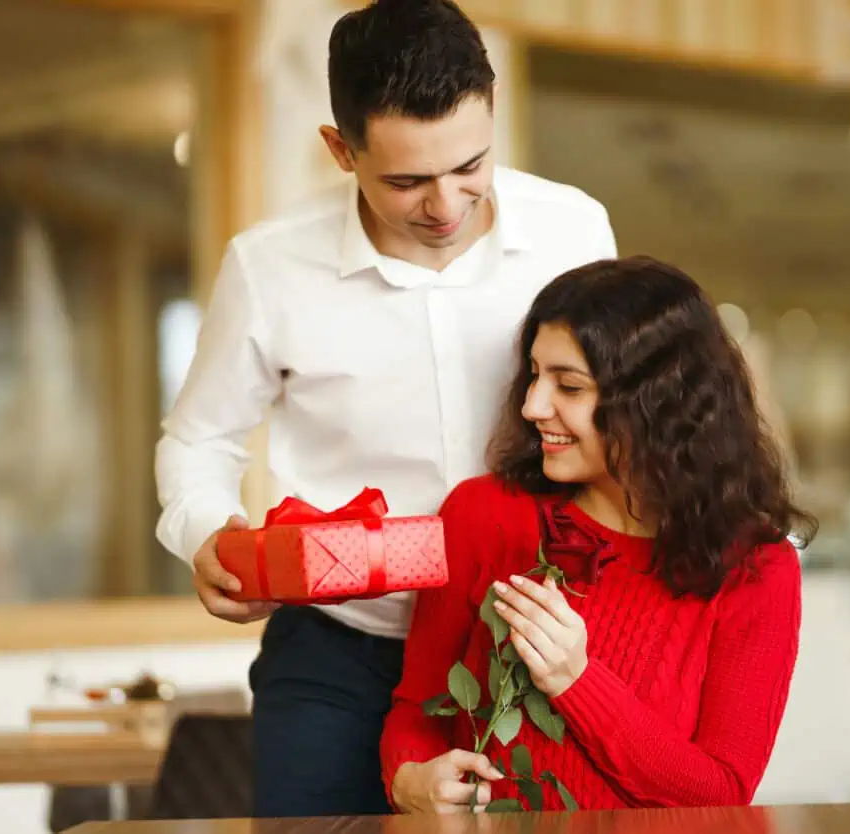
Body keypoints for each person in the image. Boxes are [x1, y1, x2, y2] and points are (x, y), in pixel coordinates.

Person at [153, 0, 617, 818]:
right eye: (407, 179)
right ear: (341, 149)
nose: (446, 203)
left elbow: (626, 419)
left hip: (526, 639)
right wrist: (209, 534)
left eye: (470, 163)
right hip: (336, 648)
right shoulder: (269, 267)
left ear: (493, 108)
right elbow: (198, 439)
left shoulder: (573, 230)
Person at [381, 256, 815, 813]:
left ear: (657, 403)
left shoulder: (758, 568)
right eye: (534, 375)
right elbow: (416, 710)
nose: (532, 405)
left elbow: (721, 796)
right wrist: (409, 782)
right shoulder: (482, 514)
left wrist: (575, 680)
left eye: (569, 386)